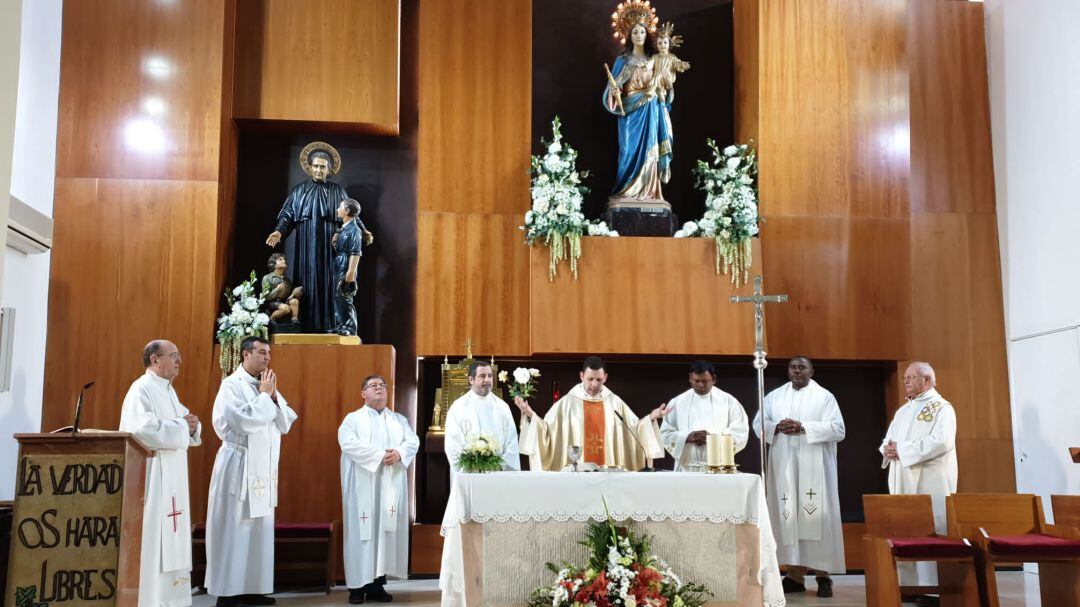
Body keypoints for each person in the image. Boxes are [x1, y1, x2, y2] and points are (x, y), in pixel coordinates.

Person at [205, 336, 298, 607]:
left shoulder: (265, 386)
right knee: (234, 529)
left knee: (258, 531)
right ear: (246, 354)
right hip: (239, 466)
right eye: (261, 352)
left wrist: (270, 398)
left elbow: (285, 422)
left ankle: (252, 587)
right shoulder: (230, 386)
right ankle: (228, 593)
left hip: (262, 470)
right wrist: (265, 398)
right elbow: (242, 421)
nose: (268, 357)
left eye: (269, 353)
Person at [753, 357, 846, 598]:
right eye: (793, 367)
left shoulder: (824, 397)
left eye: (802, 367)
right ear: (788, 371)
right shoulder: (774, 397)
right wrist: (775, 427)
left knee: (818, 520)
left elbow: (838, 429)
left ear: (811, 371)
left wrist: (804, 427)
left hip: (815, 468)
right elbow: (757, 423)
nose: (797, 370)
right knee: (789, 518)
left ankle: (823, 577)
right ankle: (794, 576)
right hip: (784, 467)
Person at [119, 340, 201, 607]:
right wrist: (182, 426)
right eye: (174, 356)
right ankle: (150, 600)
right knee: (154, 540)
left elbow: (181, 425)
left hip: (173, 478)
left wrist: (191, 426)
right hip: (152, 479)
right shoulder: (140, 390)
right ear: (155, 360)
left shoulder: (167, 391)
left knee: (172, 534)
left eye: (179, 355)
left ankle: (172, 601)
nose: (179, 361)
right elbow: (141, 430)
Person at [265, 144, 371, 332]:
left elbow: (353, 216)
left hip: (330, 249)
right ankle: (303, 325)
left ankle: (332, 326)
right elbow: (287, 215)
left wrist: (363, 231)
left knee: (330, 285)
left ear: (328, 169)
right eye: (315, 166)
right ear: (309, 167)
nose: (318, 170)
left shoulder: (337, 191)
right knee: (305, 284)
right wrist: (279, 232)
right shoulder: (299, 190)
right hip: (305, 247)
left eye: (322, 167)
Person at [880, 361, 957, 606]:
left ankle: (933, 589)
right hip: (902, 477)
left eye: (911, 377)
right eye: (904, 378)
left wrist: (902, 450)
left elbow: (942, 442)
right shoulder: (903, 410)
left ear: (927, 380)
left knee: (930, 529)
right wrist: (888, 449)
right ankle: (908, 585)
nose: (905, 381)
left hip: (929, 479)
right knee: (905, 528)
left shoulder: (942, 408)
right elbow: (888, 439)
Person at [339, 375, 419, 604]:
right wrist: (379, 455)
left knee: (382, 534)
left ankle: (376, 586)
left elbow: (412, 441)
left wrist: (400, 453)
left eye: (382, 386)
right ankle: (356, 588)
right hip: (362, 484)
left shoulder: (398, 420)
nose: (379, 389)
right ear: (363, 393)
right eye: (373, 386)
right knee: (361, 534)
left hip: (388, 485)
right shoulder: (352, 419)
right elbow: (347, 443)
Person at [516, 356, 668, 471]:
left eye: (599, 379)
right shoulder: (567, 403)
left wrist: (651, 417)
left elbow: (635, 430)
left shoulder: (614, 403)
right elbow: (547, 432)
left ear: (605, 378)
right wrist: (530, 415)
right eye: (590, 379)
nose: (594, 384)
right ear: (581, 376)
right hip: (577, 479)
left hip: (608, 476)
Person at [602, 19, 670, 205]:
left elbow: (666, 86)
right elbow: (612, 87)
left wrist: (664, 88)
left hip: (651, 109)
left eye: (642, 32)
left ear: (647, 34)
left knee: (650, 150)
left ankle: (649, 192)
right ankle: (626, 191)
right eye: (635, 33)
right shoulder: (622, 60)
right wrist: (614, 91)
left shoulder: (654, 59)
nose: (639, 36)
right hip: (630, 112)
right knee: (628, 151)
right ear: (629, 36)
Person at [660, 361, 749, 471]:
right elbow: (665, 433)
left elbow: (740, 431)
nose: (700, 385)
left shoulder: (729, 401)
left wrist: (712, 438)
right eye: (696, 381)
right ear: (690, 378)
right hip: (686, 468)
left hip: (719, 467)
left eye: (705, 381)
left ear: (714, 379)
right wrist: (687, 436)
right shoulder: (677, 402)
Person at [444, 361, 521, 482]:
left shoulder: (502, 407)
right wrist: (473, 464)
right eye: (482, 376)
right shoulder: (458, 408)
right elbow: (452, 445)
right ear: (471, 379)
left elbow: (512, 443)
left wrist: (497, 465)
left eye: (490, 376)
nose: (487, 380)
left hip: (498, 476)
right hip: (470, 476)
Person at [330, 198, 363, 336]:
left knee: (345, 296)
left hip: (346, 263)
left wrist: (351, 272)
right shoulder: (344, 228)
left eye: (340, 207)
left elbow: (355, 252)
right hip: (339, 262)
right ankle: (341, 324)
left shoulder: (354, 230)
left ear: (347, 211)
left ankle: (350, 327)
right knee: (338, 296)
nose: (338, 209)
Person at [262, 253, 302, 324]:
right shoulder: (267, 278)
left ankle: (294, 321)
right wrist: (277, 290)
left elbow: (288, 297)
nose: (284, 261)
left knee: (295, 301)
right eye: (280, 259)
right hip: (272, 302)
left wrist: (294, 294)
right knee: (285, 308)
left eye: (284, 259)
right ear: (274, 264)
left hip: (283, 301)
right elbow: (265, 297)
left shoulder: (287, 280)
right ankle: (270, 320)